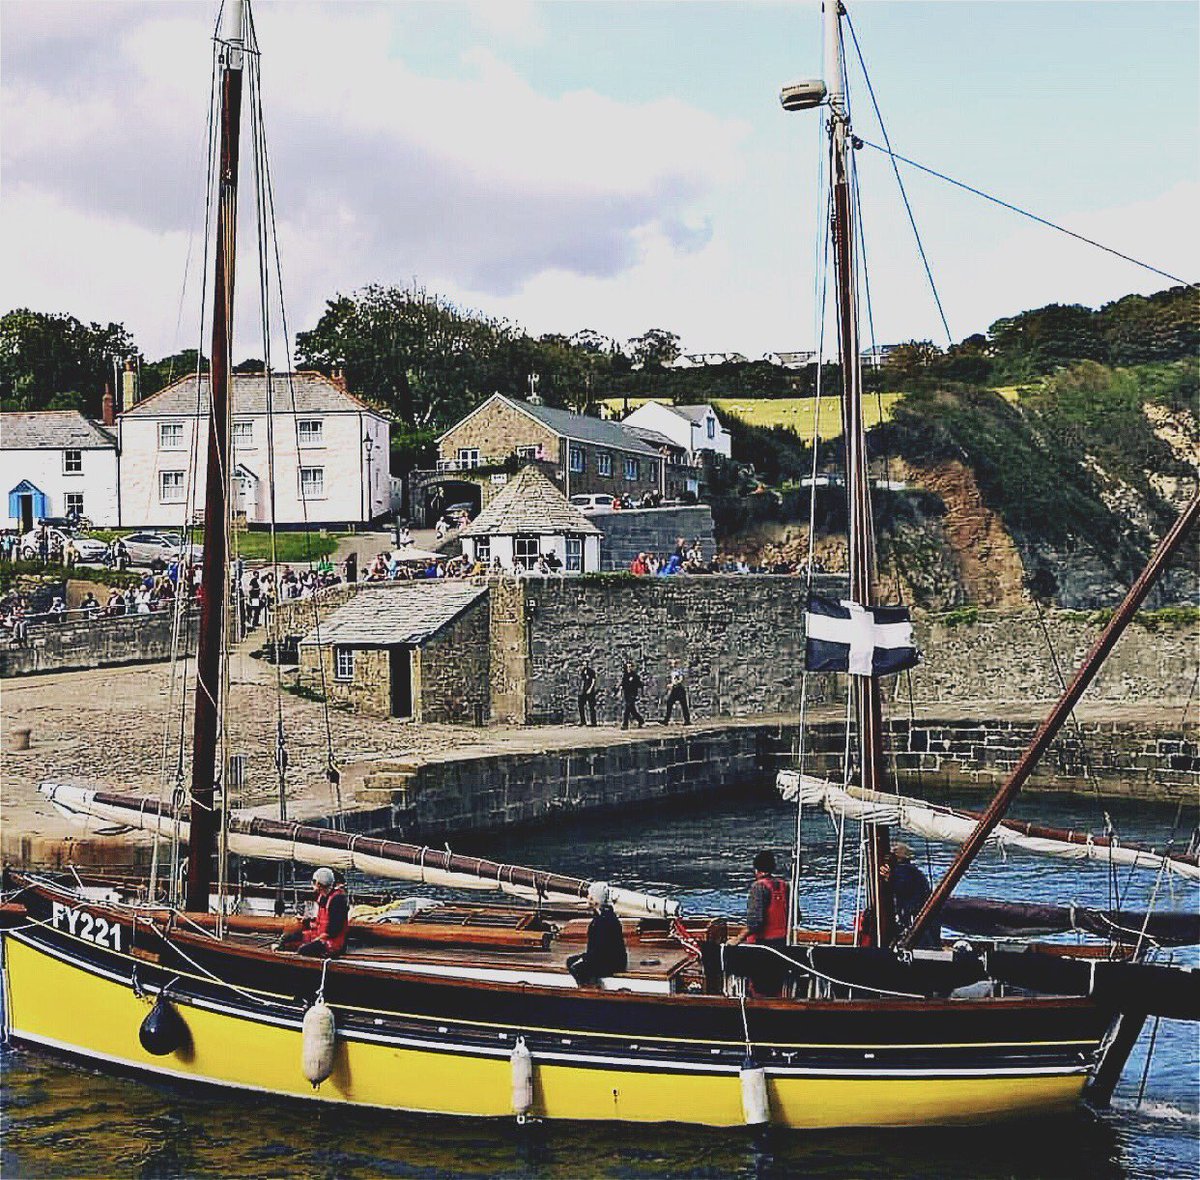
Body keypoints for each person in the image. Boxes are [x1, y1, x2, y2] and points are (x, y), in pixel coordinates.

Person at [728, 850, 790, 996]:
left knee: (759, 988)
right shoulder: (785, 886)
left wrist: (737, 939)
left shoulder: (758, 887)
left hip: (763, 946)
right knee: (776, 986)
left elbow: (755, 922)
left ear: (756, 870)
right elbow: (796, 917)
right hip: (782, 944)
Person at [275, 868, 350, 958]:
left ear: (319, 884)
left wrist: (315, 941)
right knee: (287, 939)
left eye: (314, 882)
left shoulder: (337, 900)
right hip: (317, 934)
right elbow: (319, 921)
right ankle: (280, 949)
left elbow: (333, 931)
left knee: (303, 950)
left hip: (332, 942)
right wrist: (307, 921)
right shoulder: (322, 896)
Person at [567, 881, 627, 986]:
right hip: (607, 958)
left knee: (576, 967)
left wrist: (585, 959)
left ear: (596, 901)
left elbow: (601, 950)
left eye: (591, 898)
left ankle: (590, 989)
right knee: (571, 960)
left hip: (611, 962)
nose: (588, 899)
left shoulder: (604, 921)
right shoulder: (604, 916)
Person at [889, 843, 939, 948]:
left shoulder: (902, 871)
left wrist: (889, 878)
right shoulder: (914, 871)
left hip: (916, 918)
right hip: (926, 918)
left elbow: (902, 887)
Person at [619, 661, 644, 729]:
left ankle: (625, 724)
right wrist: (620, 692)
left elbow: (640, 684)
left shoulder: (635, 676)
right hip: (627, 694)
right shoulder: (625, 675)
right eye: (628, 667)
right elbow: (623, 685)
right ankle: (640, 720)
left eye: (630, 667)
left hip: (632, 694)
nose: (629, 668)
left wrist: (639, 694)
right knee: (632, 710)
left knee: (627, 708)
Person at [578, 660, 598, 726]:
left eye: (585, 664)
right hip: (584, 691)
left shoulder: (591, 671)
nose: (584, 666)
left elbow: (593, 680)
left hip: (590, 691)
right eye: (583, 665)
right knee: (580, 705)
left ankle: (593, 722)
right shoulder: (583, 671)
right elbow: (583, 681)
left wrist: (590, 689)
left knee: (591, 706)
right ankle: (583, 721)